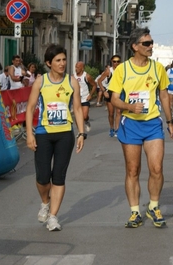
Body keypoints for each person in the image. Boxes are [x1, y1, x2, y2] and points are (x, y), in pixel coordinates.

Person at [108, 27, 173, 228]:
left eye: (151, 42)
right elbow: (113, 99)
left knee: (156, 168)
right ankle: (135, 212)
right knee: (133, 170)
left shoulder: (157, 68)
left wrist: (170, 122)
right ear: (135, 46)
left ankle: (153, 207)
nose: (151, 46)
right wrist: (130, 106)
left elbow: (164, 95)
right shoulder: (123, 70)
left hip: (153, 124)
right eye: (146, 43)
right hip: (130, 124)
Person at [25, 44, 85, 231]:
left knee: (58, 176)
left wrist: (81, 132)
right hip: (43, 134)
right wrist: (29, 134)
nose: (62, 64)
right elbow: (30, 108)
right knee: (43, 177)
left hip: (65, 135)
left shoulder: (71, 81)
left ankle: (53, 217)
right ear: (49, 63)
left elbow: (76, 109)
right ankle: (45, 202)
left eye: (64, 60)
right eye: (58, 60)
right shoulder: (41, 82)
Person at [97, 55, 122, 137]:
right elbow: (99, 81)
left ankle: (117, 129)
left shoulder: (122, 70)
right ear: (112, 62)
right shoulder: (109, 71)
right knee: (111, 113)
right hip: (110, 92)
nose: (116, 63)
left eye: (118, 61)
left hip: (119, 92)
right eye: (114, 61)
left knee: (118, 112)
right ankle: (111, 128)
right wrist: (104, 91)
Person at [74, 61, 97, 133]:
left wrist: (91, 95)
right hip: (77, 99)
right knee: (77, 116)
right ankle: (80, 132)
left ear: (82, 68)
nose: (76, 69)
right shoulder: (73, 77)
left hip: (85, 98)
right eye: (75, 67)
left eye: (77, 67)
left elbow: (94, 85)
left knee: (84, 116)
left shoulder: (87, 76)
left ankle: (86, 121)